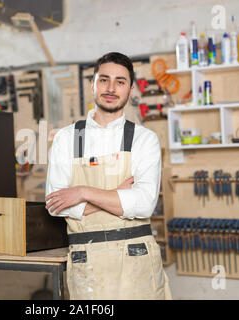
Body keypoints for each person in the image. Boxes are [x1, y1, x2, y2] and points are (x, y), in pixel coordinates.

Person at [45, 52, 171, 300]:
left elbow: (145, 204)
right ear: (92, 84)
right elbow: (55, 205)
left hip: (137, 261)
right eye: (104, 80)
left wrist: (82, 192)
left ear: (130, 89)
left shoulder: (144, 139)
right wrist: (120, 195)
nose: (111, 88)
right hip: (87, 263)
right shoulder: (67, 138)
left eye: (120, 82)